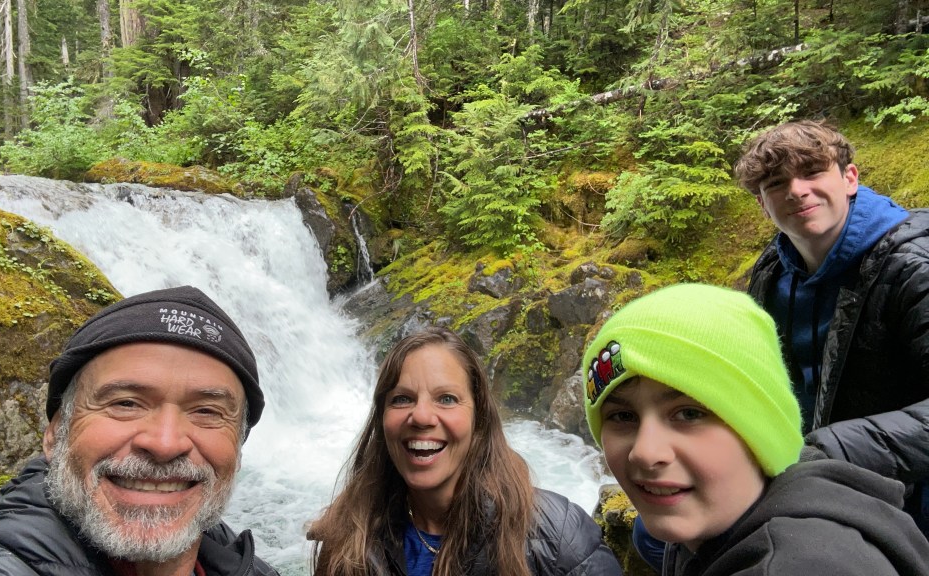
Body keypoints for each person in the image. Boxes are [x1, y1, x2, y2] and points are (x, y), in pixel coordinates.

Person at [0, 286, 279, 576]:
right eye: (125, 403)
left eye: (206, 411)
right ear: (55, 434)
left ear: (237, 447)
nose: (165, 443)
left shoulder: (235, 560)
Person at [582, 283, 929, 576]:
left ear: (760, 429)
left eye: (688, 413)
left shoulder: (804, 565)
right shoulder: (720, 519)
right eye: (622, 417)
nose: (645, 452)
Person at [738, 120, 929, 535]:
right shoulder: (771, 272)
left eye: (812, 172)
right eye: (776, 182)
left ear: (850, 178)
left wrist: (831, 449)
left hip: (906, 487)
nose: (796, 190)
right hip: (805, 472)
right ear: (762, 204)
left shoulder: (912, 269)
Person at [308, 327, 622, 576]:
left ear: (479, 419)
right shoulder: (350, 538)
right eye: (402, 399)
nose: (421, 417)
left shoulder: (560, 540)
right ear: (382, 419)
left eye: (446, 399)